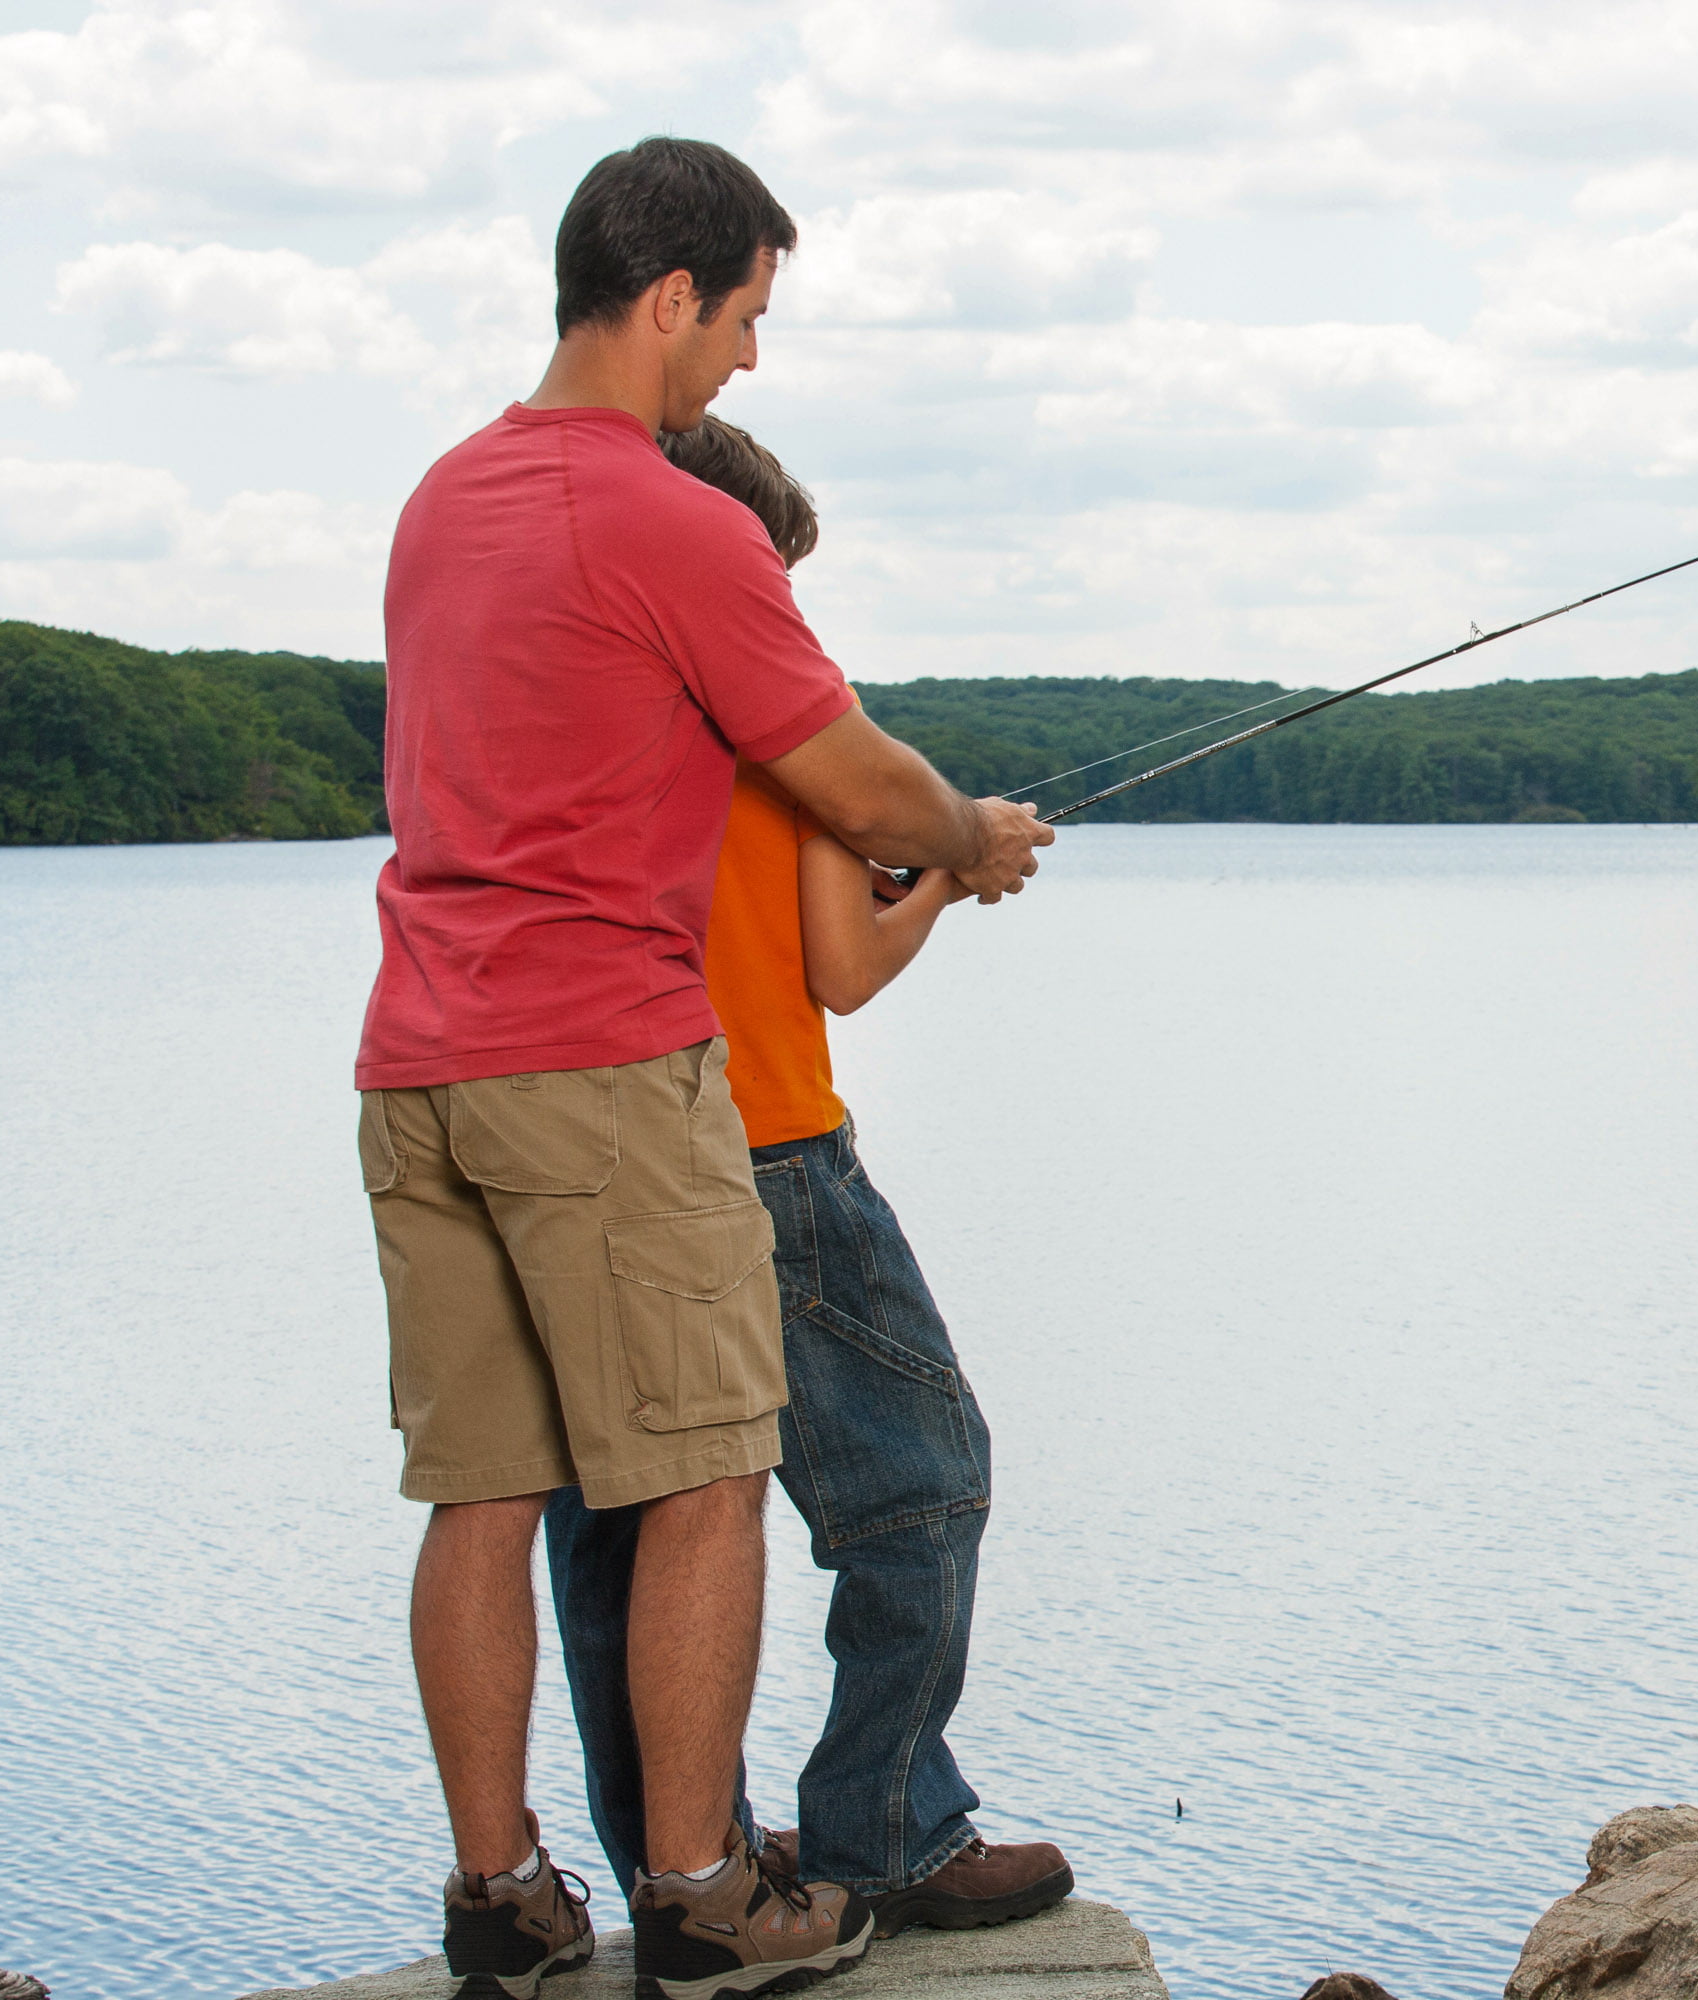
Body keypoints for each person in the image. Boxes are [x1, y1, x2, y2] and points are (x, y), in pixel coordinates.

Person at [354, 137, 1054, 2000]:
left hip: (422, 1058)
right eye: (748, 314)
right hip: (603, 1069)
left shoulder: (442, 499)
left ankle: (499, 1903)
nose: (748, 358)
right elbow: (854, 776)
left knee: (487, 1496)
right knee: (706, 1475)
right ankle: (700, 1897)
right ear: (673, 295)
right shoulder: (677, 519)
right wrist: (970, 839)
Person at [540, 418, 1074, 1936]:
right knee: (922, 1478)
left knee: (617, 1526)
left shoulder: (580, 701)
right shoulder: (780, 704)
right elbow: (839, 968)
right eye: (772, 576)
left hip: (582, 1142)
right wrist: (959, 878)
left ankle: (677, 1863)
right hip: (765, 1148)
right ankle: (889, 1829)